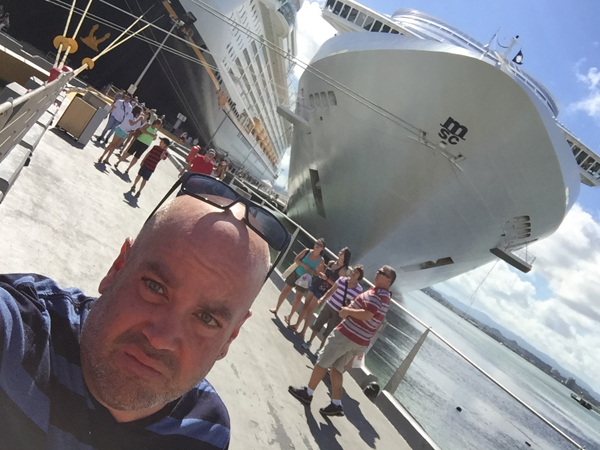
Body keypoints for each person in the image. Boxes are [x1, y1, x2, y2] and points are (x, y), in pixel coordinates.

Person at [0, 177, 294, 448]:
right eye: (155, 287)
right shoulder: (21, 333)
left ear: (231, 337)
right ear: (117, 269)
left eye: (206, 318)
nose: (160, 338)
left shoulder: (206, 430)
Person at [289, 266, 395, 417]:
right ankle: (336, 404)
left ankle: (308, 393)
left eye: (381, 273)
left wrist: (347, 311)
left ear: (388, 280)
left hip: (347, 335)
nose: (377, 273)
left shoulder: (378, 295)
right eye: (378, 271)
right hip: (358, 340)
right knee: (337, 369)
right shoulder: (384, 297)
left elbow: (367, 314)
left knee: (323, 361)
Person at [301, 265, 364, 356]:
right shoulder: (342, 279)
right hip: (330, 305)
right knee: (319, 323)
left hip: (339, 312)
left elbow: (355, 302)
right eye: (354, 270)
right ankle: (309, 342)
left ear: (360, 276)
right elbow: (331, 290)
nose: (354, 273)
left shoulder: (359, 289)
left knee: (329, 331)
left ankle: (320, 349)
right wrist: (323, 298)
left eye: (357, 272)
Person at [290, 248, 352, 338]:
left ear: (345, 257)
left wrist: (326, 279)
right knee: (306, 304)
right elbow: (324, 273)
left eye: (342, 253)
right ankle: (296, 325)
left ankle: (303, 331)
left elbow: (337, 285)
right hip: (317, 283)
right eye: (340, 251)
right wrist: (320, 272)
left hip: (324, 289)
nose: (340, 253)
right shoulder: (331, 262)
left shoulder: (343, 270)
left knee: (310, 309)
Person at [269, 239, 325, 322]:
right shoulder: (307, 251)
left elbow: (319, 274)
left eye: (320, 245)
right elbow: (296, 259)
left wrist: (313, 271)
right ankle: (276, 308)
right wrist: (304, 266)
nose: (317, 245)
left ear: (322, 249)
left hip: (305, 279)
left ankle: (290, 316)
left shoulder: (321, 260)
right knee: (286, 290)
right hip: (295, 273)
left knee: (298, 297)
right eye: (317, 243)